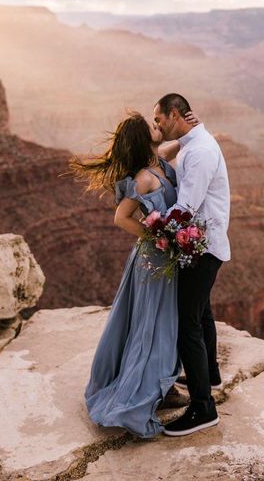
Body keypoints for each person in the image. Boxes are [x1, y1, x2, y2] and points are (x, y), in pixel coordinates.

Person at [69, 111, 195, 438]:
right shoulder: (143, 178)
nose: (159, 128)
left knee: (164, 322)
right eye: (154, 126)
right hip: (153, 261)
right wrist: (159, 236)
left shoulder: (158, 161)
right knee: (154, 325)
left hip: (163, 258)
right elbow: (120, 218)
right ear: (144, 138)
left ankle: (162, 381)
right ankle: (152, 389)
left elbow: (178, 143)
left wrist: (193, 128)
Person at [153, 93, 231, 436]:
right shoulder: (193, 142)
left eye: (158, 120)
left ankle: (203, 407)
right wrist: (173, 141)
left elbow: (185, 208)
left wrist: (151, 224)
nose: (156, 126)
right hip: (205, 245)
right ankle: (209, 374)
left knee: (188, 324)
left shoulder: (199, 152)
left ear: (174, 114)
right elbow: (169, 152)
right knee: (201, 312)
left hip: (202, 247)